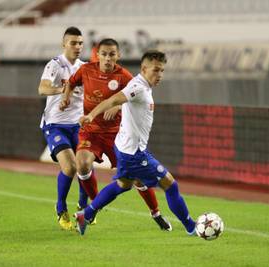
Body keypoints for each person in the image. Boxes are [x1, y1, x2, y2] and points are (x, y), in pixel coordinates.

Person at [74, 50, 196, 236]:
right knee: (170, 185)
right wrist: (91, 115)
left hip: (124, 148)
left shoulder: (143, 87)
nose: (160, 75)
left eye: (162, 71)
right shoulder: (138, 87)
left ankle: (87, 214)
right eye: (156, 70)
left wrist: (116, 108)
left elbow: (121, 102)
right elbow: (113, 99)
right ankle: (192, 227)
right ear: (144, 69)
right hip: (134, 154)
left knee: (123, 185)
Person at [60, 39, 172, 231]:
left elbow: (135, 93)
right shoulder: (86, 70)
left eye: (112, 54)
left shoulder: (124, 76)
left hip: (117, 135)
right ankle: (89, 205)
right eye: (104, 53)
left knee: (136, 179)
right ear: (97, 55)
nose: (108, 58)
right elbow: (70, 83)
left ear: (118, 56)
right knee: (82, 163)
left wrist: (119, 105)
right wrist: (65, 97)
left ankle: (156, 213)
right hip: (91, 130)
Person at [38, 26, 88, 230]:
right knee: (70, 167)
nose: (77, 47)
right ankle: (61, 207)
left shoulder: (85, 68)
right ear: (64, 44)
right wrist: (63, 89)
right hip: (55, 124)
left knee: (85, 166)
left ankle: (84, 209)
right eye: (73, 43)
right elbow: (42, 88)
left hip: (78, 125)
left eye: (80, 43)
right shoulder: (55, 65)